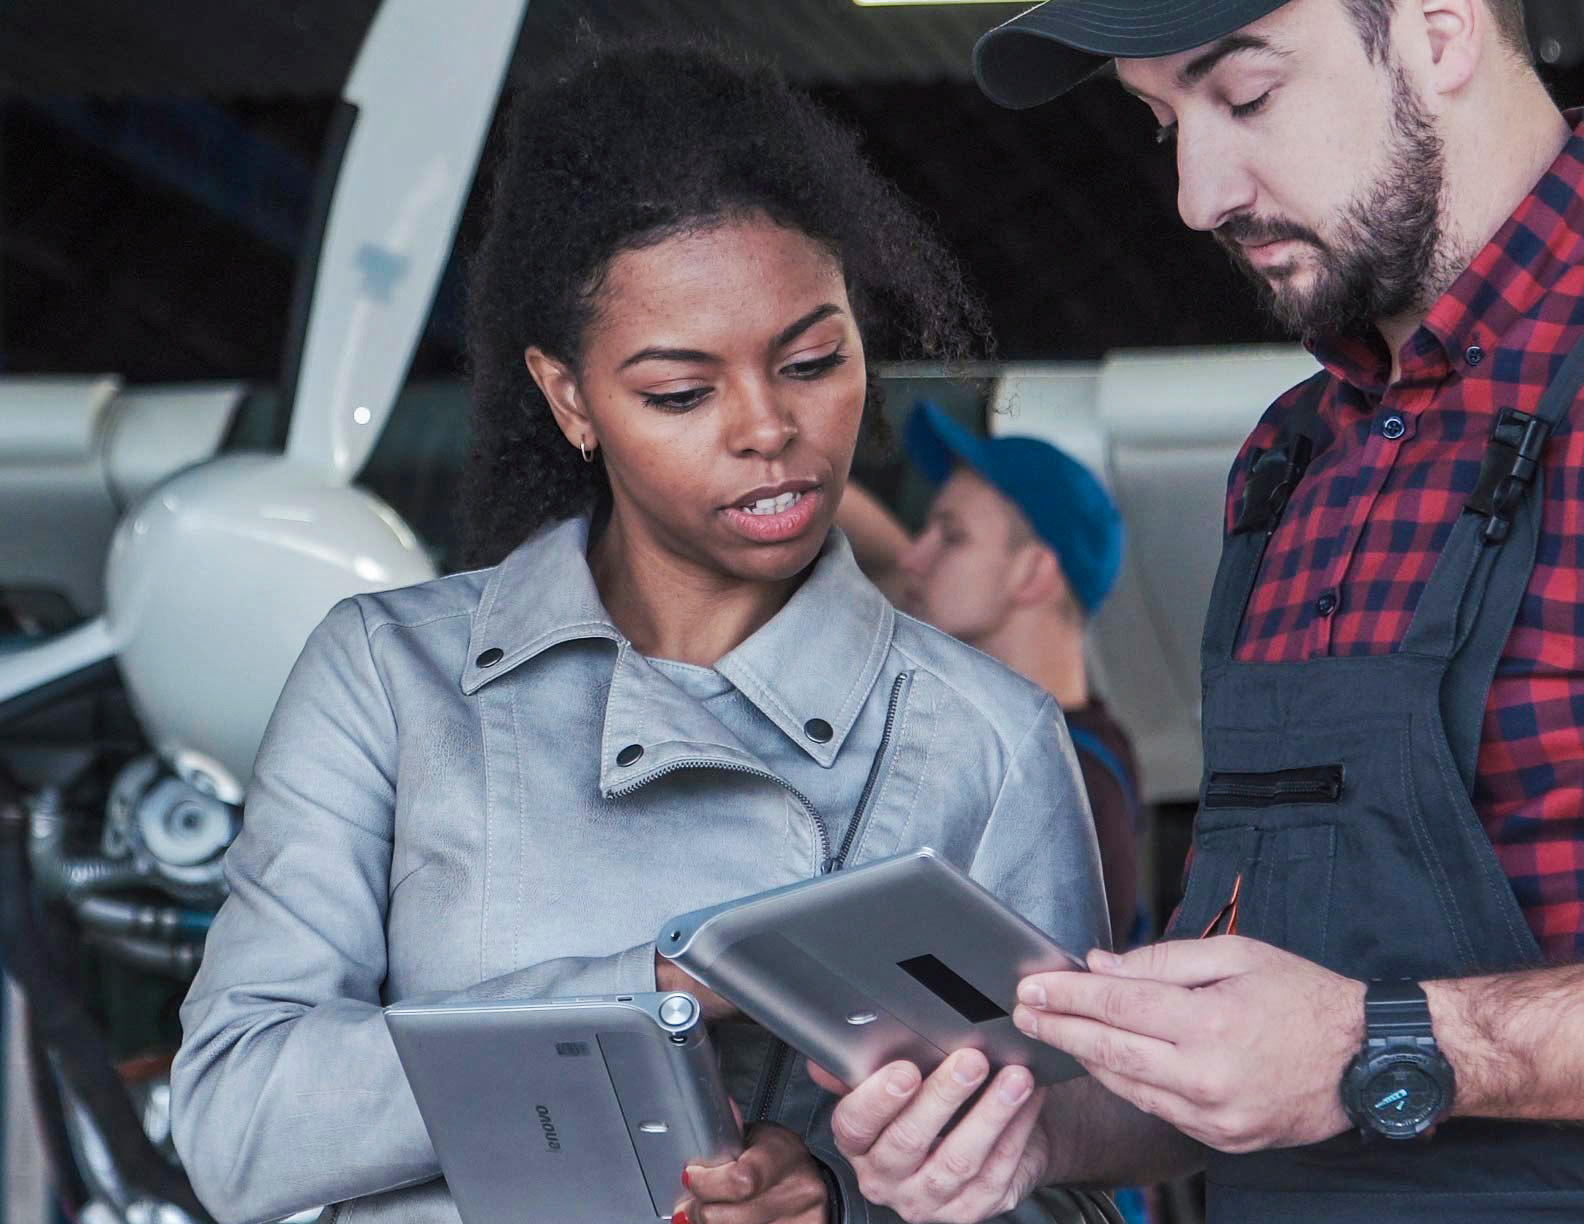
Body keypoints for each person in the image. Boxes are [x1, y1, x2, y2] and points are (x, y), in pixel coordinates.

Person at [167, 40, 1109, 1224]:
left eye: (815, 360)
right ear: (570, 398)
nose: (769, 427)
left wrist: (830, 1198)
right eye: (680, 392)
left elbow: (1065, 1176)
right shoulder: (389, 678)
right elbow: (236, 1125)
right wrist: (660, 986)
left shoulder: (992, 739)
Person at [815, 1, 1584, 1221]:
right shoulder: (1289, 465)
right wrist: (1031, 1134)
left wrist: (1373, 1043)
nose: (1195, 195)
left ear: (1441, 31)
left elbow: (1325, 1048)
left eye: (1247, 95)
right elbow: (1247, 1057)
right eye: (1161, 120)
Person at [838, 404, 1142, 945]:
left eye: (950, 536)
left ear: (1033, 573)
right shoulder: (1054, 755)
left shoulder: (1069, 790)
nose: (915, 558)